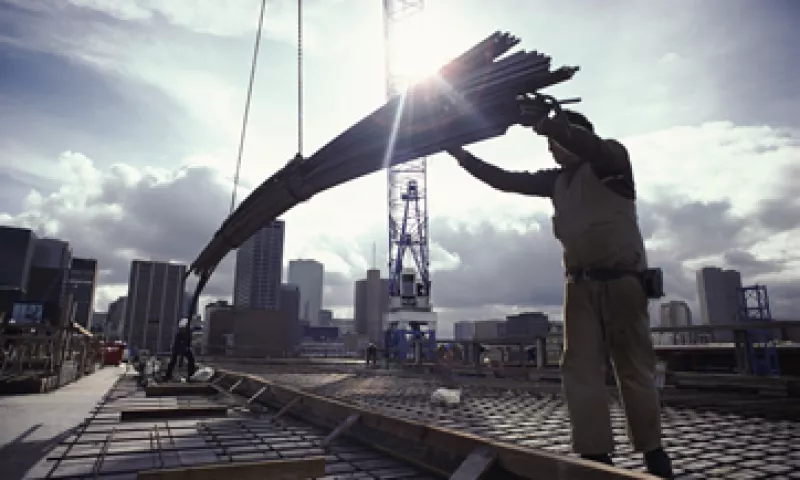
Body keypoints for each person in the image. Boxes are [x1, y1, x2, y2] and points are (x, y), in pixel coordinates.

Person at [446, 110, 673, 478]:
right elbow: (504, 180)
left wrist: (546, 122)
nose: (551, 151)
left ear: (576, 135)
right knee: (579, 369)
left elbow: (589, 146)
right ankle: (595, 453)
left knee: (633, 370)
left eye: (556, 143)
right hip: (579, 286)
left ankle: (654, 453)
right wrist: (462, 156)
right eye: (549, 145)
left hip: (622, 283)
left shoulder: (611, 162)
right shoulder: (557, 182)